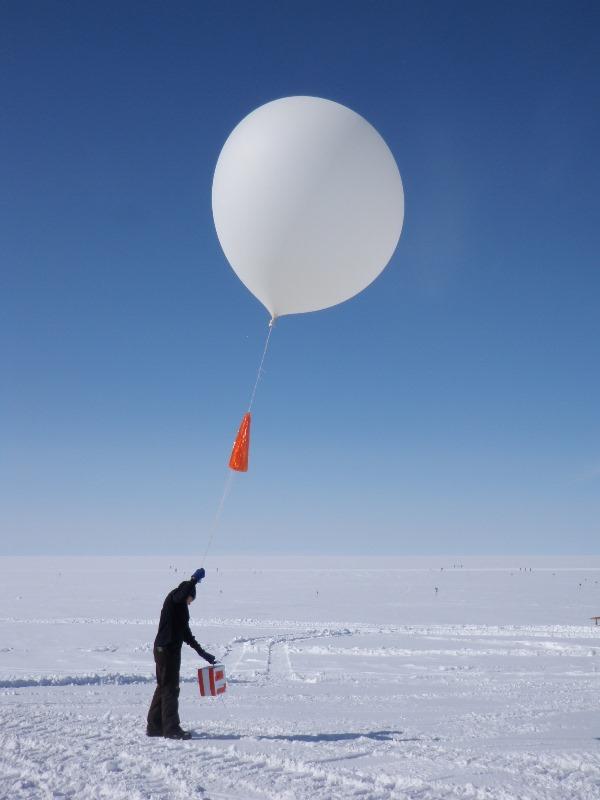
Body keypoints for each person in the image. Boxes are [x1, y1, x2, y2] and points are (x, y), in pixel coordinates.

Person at [146, 567, 216, 739]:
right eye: (191, 598)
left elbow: (187, 635)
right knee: (171, 688)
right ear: (188, 593)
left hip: (165, 650)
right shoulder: (174, 598)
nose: (191, 602)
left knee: (163, 687)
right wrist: (193, 580)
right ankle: (171, 729)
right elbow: (181, 593)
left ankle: (155, 726)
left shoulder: (181, 610)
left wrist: (203, 653)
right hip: (167, 650)